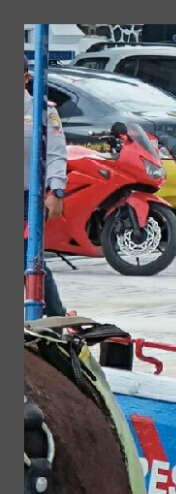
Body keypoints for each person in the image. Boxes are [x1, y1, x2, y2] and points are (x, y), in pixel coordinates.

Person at [23, 56, 68, 317]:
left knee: (27, 257)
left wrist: (56, 191)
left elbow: (55, 153)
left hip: (28, 198)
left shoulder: (42, 110)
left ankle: (55, 316)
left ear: (26, 77)